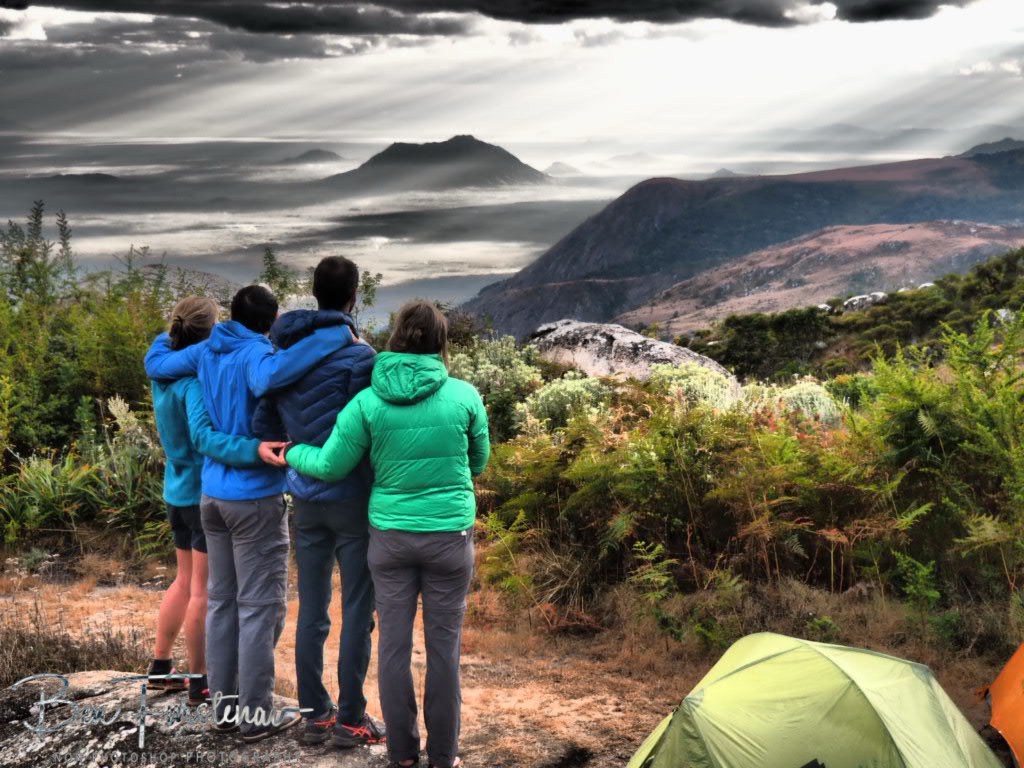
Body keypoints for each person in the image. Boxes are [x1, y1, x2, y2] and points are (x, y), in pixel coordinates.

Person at [280, 300, 490, 768]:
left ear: (396, 337)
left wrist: (293, 453)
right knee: (443, 651)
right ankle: (442, 758)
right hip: (449, 537)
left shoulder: (367, 401)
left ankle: (402, 756)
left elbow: (331, 465)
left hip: (389, 538)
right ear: (441, 341)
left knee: (394, 649)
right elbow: (478, 463)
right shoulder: (464, 395)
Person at [145, 284, 353, 743]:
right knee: (260, 608)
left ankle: (224, 709)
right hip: (254, 498)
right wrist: (338, 334)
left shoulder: (205, 351)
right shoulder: (258, 355)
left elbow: (158, 363)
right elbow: (270, 377)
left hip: (210, 498)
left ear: (232, 314)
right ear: (271, 319)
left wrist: (167, 333)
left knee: (222, 602)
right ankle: (256, 716)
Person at [251, 257, 383, 748]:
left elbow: (265, 424)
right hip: (352, 499)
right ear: (353, 297)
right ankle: (351, 720)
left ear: (315, 293)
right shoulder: (359, 358)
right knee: (357, 609)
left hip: (304, 495)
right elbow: (367, 433)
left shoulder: (284, 357)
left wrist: (293, 453)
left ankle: (315, 716)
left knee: (312, 610)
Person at [146, 296, 286, 707]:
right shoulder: (194, 382)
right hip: (207, 489)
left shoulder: (167, 372)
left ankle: (160, 665)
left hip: (178, 488)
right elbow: (203, 434)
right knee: (207, 593)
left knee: (185, 581)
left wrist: (168, 334)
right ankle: (199, 680)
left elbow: (156, 360)